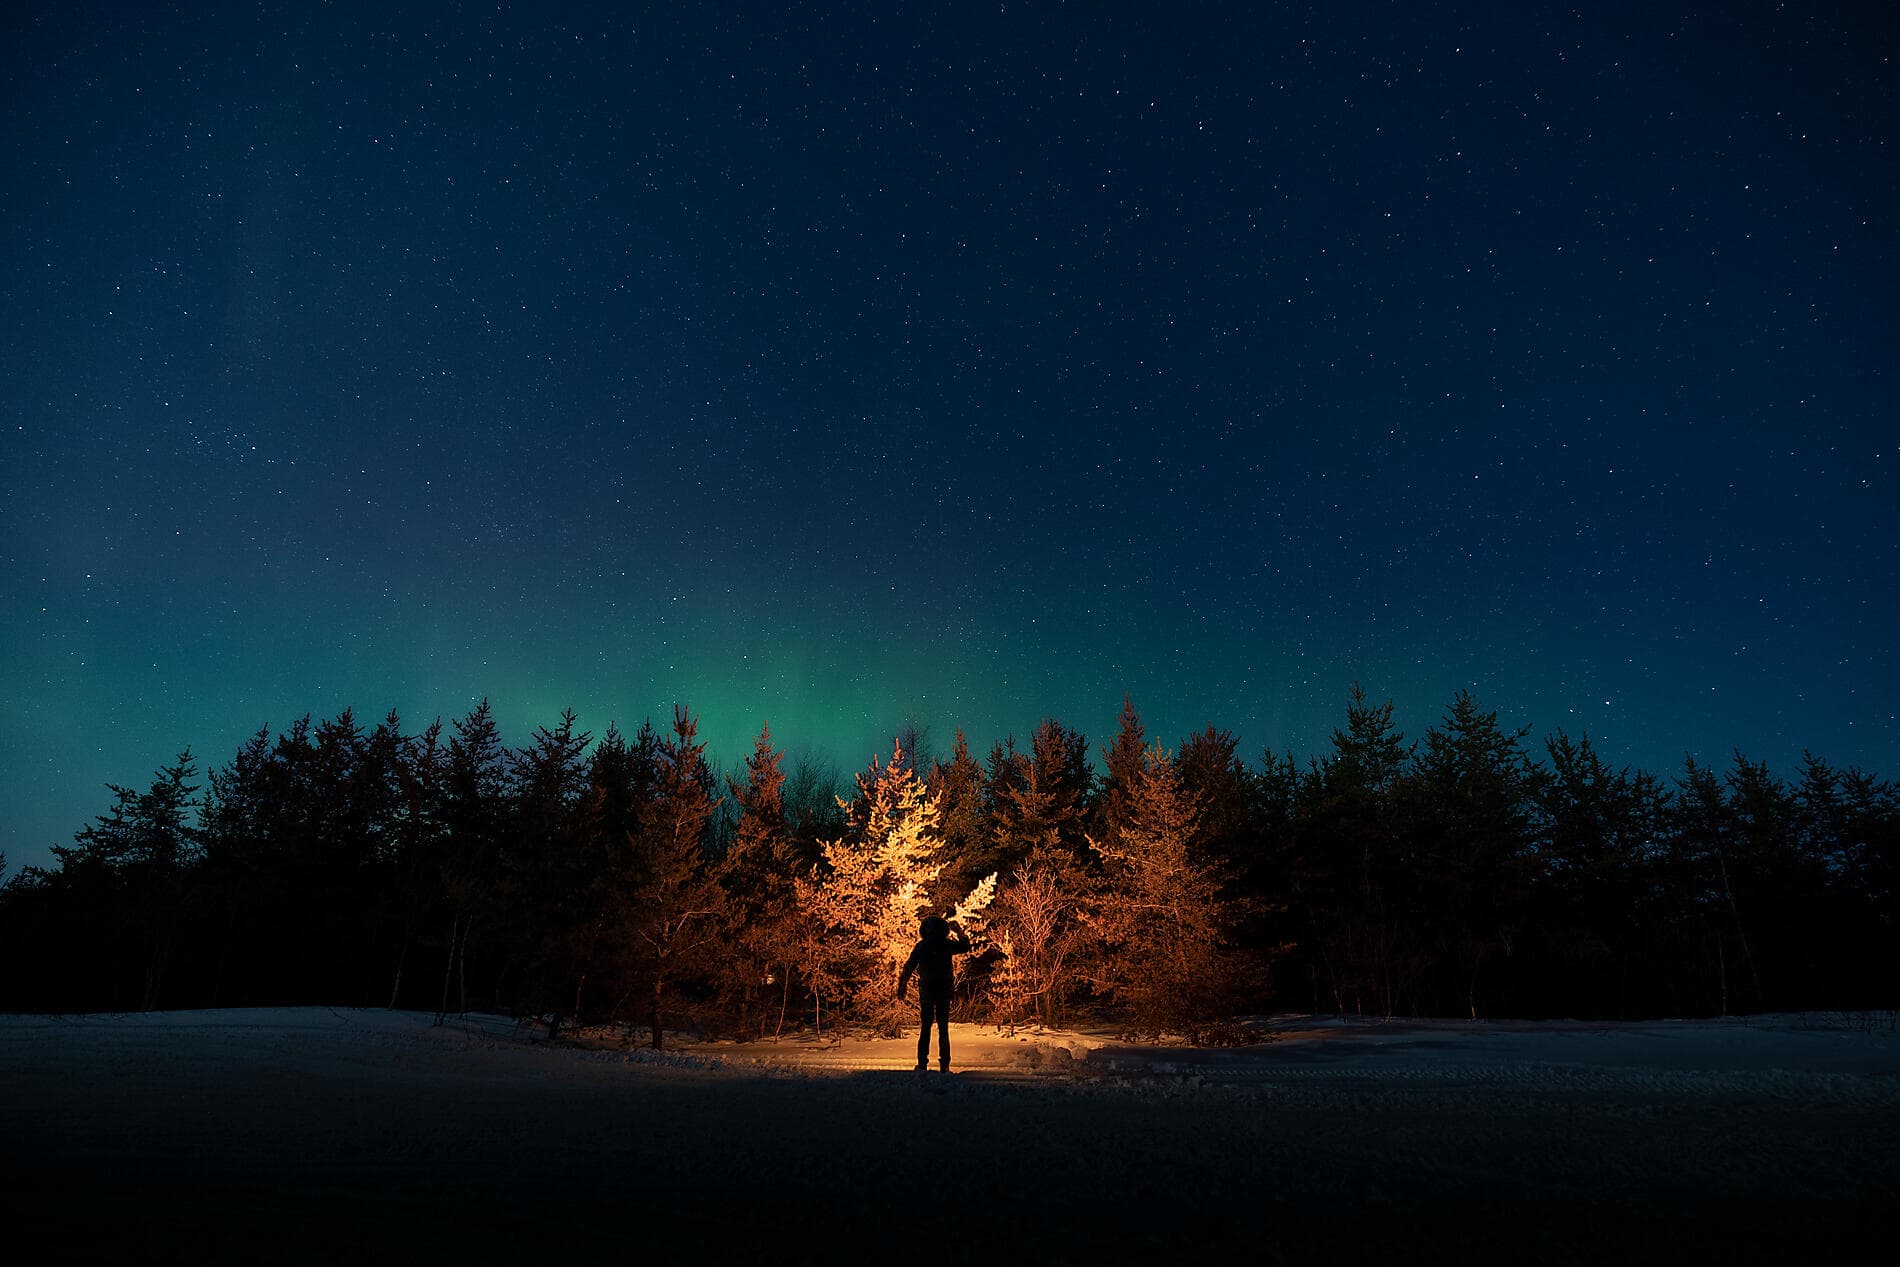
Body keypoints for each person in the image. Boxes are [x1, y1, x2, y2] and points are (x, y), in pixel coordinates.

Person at [896, 914, 970, 1071]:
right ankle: (944, 1064)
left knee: (926, 1027)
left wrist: (902, 985)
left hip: (927, 991)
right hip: (943, 990)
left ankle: (922, 1063)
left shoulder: (922, 947)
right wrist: (959, 931)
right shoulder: (946, 945)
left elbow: (908, 967)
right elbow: (965, 946)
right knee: (943, 1028)